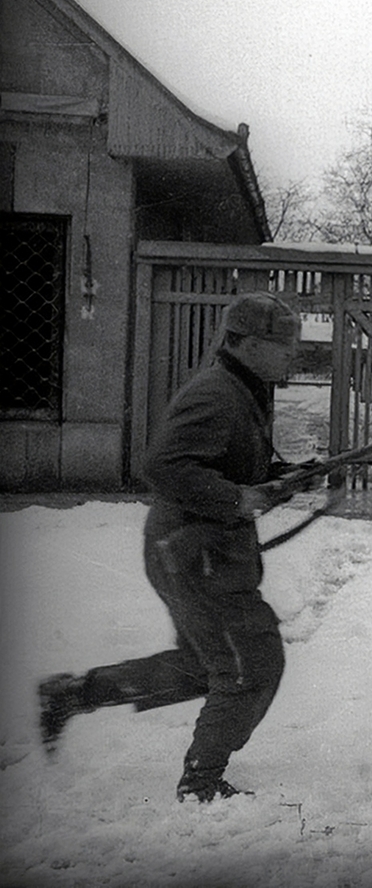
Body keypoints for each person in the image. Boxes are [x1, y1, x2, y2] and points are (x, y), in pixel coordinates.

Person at [37, 291, 304, 802]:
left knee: (204, 667)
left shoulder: (244, 387)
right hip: (195, 552)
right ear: (246, 343)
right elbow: (162, 465)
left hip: (195, 549)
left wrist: (282, 477)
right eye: (281, 342)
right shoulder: (218, 393)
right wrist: (237, 498)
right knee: (252, 663)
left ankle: (72, 695)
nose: (292, 352)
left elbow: (222, 462)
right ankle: (201, 783)